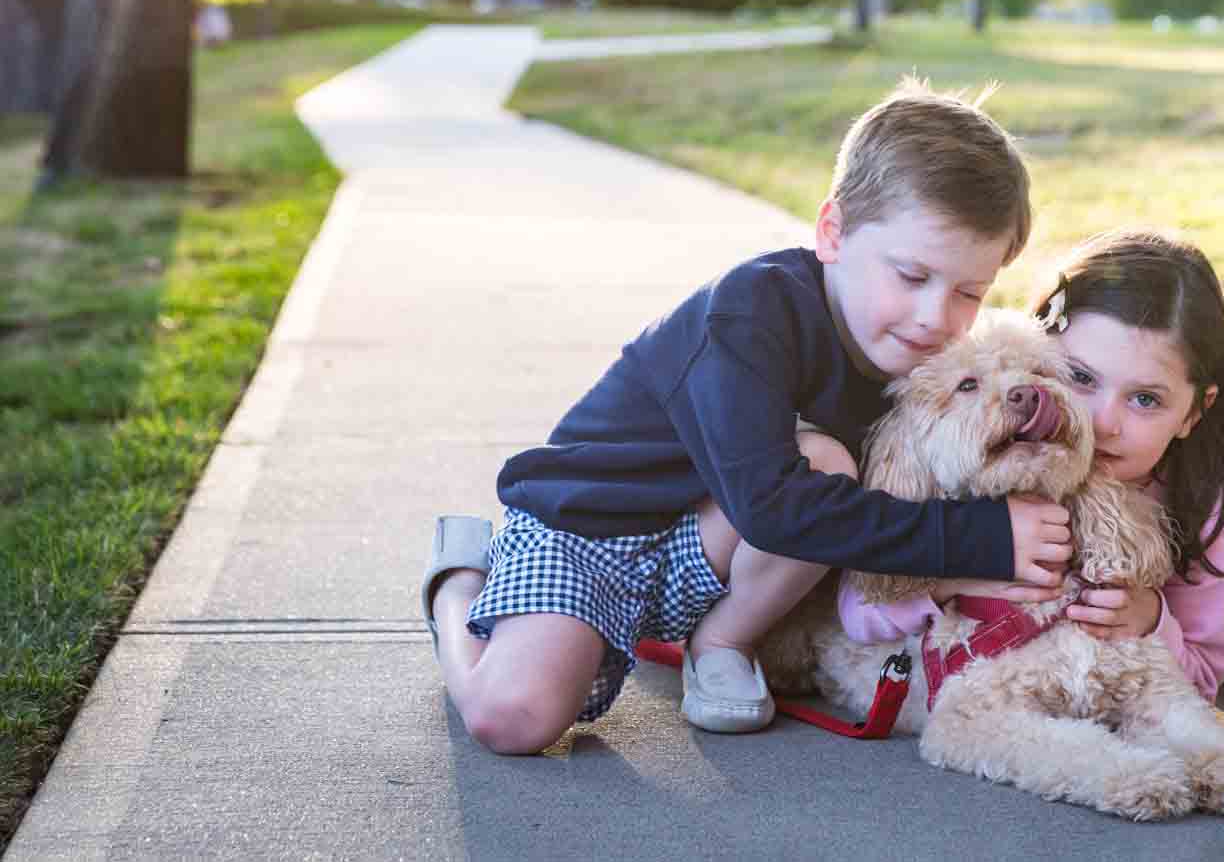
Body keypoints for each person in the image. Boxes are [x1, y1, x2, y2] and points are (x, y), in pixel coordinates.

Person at [420, 80, 1075, 751]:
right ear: (834, 231)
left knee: (827, 463)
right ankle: (460, 580)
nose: (936, 316)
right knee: (515, 719)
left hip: (712, 539)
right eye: (911, 277)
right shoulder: (748, 315)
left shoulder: (920, 358)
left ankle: (723, 642)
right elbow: (772, 508)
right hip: (590, 530)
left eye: (969, 291)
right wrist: (983, 538)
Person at [839, 228, 1224, 708]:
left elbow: (1204, 676)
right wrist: (953, 575)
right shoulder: (996, 443)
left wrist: (1153, 620)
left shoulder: (1217, 486)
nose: (1103, 422)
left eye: (1145, 399)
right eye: (1080, 378)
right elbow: (861, 609)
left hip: (1219, 519)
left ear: (1193, 412)